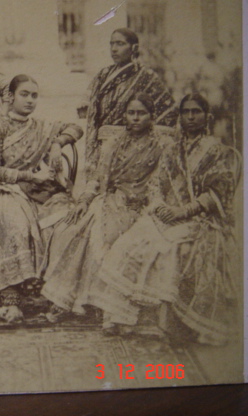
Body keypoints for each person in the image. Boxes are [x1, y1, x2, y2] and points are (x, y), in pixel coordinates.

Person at [93, 94, 242, 345]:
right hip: (167, 215)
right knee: (128, 243)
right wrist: (160, 206)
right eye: (186, 112)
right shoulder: (173, 148)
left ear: (207, 117)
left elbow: (217, 193)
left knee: (169, 248)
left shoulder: (217, 151)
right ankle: (122, 317)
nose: (191, 117)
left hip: (200, 219)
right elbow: (156, 184)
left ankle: (166, 324)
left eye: (196, 112)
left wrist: (182, 212)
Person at [42, 94, 171, 323]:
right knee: (72, 231)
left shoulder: (161, 146)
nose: (135, 118)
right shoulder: (115, 143)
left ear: (151, 116)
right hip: (109, 200)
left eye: (141, 113)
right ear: (125, 115)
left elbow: (159, 184)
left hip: (140, 205)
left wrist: (140, 201)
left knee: (109, 237)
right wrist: (83, 201)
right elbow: (98, 180)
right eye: (131, 113)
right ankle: (68, 300)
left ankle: (102, 303)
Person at [0, 75, 83, 315]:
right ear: (10, 97)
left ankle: (51, 290)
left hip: (41, 191)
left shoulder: (42, 126)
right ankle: (10, 291)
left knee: (67, 222)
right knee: (14, 220)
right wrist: (29, 177)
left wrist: (57, 143)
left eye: (34, 95)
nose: (30, 100)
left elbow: (76, 128)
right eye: (24, 94)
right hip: (1, 189)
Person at [79, 28, 177, 177]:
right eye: (111, 44)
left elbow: (168, 110)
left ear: (134, 48)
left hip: (131, 148)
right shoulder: (103, 74)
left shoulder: (146, 76)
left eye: (120, 44)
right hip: (101, 146)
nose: (114, 49)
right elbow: (87, 101)